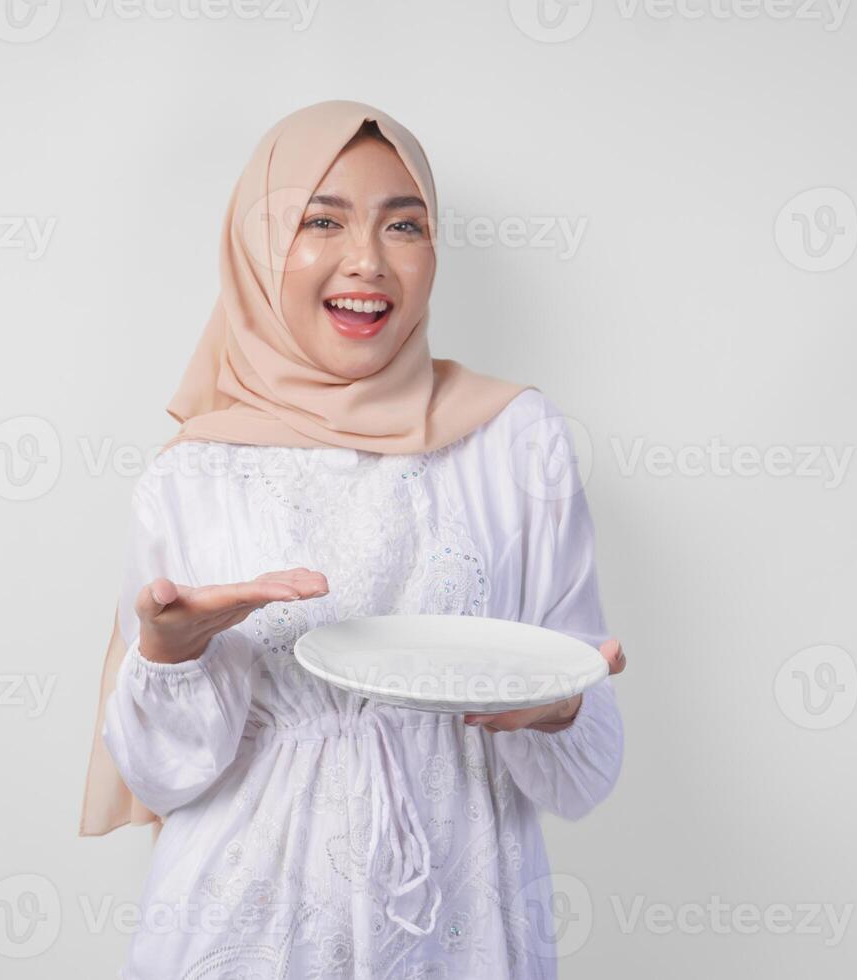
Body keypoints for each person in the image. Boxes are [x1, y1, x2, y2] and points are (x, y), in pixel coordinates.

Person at [79, 99, 627, 980]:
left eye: (403, 224)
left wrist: (560, 707)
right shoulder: (193, 473)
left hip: (460, 913)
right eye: (319, 220)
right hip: (242, 924)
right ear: (258, 251)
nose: (366, 261)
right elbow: (165, 774)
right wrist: (171, 656)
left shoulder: (517, 442)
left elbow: (581, 772)